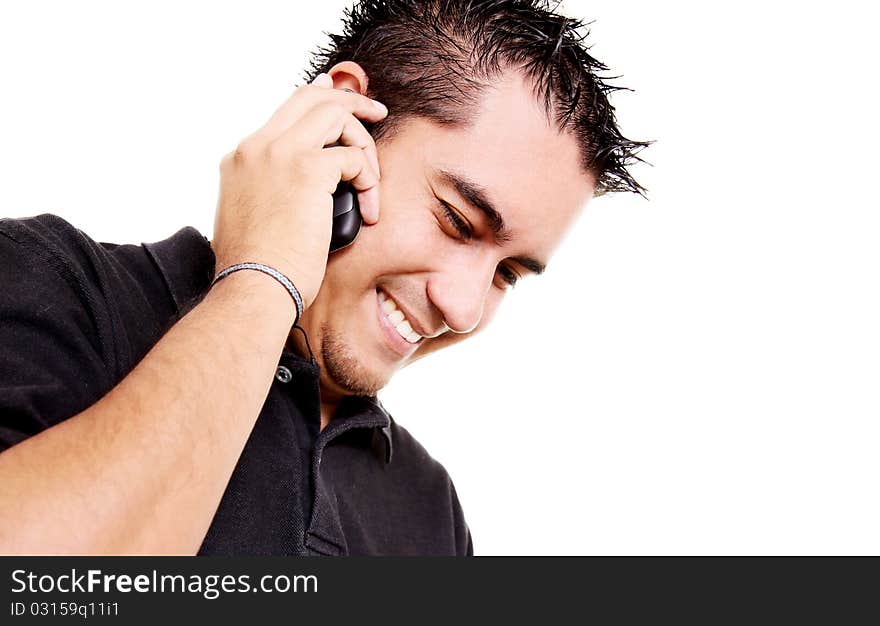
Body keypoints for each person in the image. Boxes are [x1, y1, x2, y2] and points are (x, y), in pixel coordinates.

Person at [0, 0, 645, 555]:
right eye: (455, 220)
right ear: (347, 121)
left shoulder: (428, 510)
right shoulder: (54, 284)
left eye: (507, 273)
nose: (464, 307)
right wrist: (265, 278)